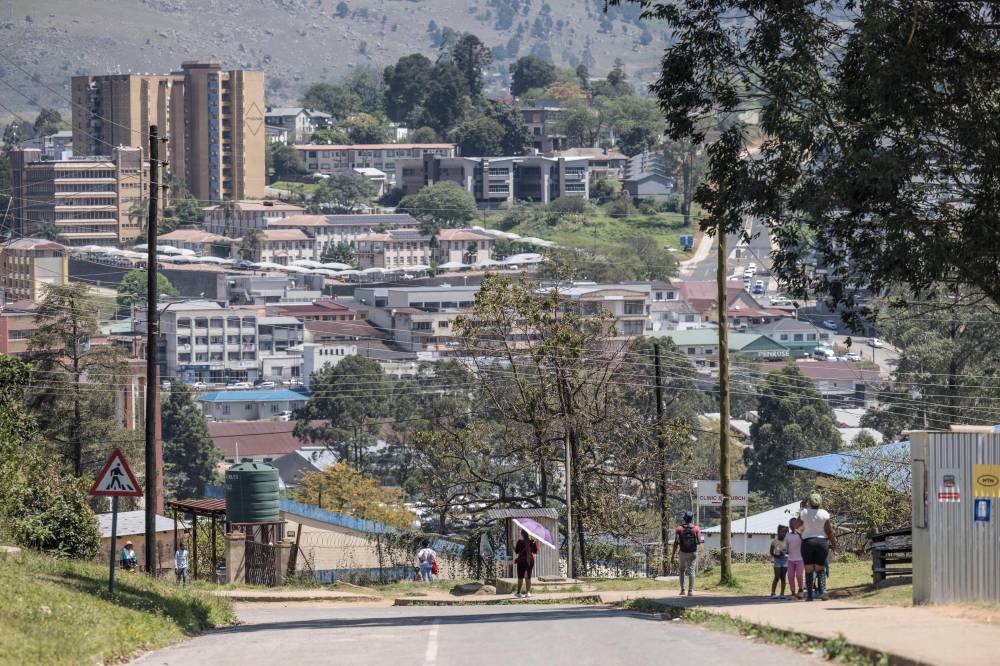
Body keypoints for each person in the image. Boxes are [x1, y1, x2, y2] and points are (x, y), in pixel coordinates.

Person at [800, 493, 837, 601]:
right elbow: (829, 532)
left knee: (809, 570)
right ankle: (822, 592)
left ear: (809, 502)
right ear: (820, 502)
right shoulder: (824, 514)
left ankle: (810, 596)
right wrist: (834, 545)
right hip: (822, 543)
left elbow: (796, 526)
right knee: (820, 569)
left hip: (808, 543)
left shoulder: (804, 512)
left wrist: (803, 532)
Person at [671, 510, 701, 596]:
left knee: (681, 570)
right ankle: (690, 591)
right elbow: (699, 541)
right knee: (691, 571)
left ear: (685, 519)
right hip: (693, 552)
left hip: (682, 552)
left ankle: (683, 590)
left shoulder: (679, 528)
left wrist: (673, 555)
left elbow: (675, 542)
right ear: (692, 519)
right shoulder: (696, 528)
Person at [513, 529, 539, 598]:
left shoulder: (520, 542)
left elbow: (516, 551)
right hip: (530, 560)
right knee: (528, 577)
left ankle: (518, 593)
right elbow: (535, 551)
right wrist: (536, 542)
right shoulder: (532, 542)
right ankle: (528, 593)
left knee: (520, 577)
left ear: (522, 534)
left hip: (521, 560)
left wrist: (512, 544)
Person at [785, 517, 805, 600]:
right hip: (790, 560)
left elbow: (805, 543)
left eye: (793, 523)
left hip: (800, 559)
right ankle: (793, 592)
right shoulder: (787, 535)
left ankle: (800, 589)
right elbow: (785, 547)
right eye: (790, 524)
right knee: (790, 576)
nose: (792, 525)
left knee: (799, 575)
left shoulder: (801, 534)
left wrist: (800, 534)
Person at [769, 525, 789, 600]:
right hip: (777, 560)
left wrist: (785, 553)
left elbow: (789, 551)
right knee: (777, 577)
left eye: (786, 532)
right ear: (778, 532)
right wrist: (776, 555)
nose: (784, 533)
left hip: (785, 560)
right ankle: (773, 593)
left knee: (783, 577)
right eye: (783, 531)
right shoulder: (774, 541)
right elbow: (771, 552)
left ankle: (782, 593)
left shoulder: (787, 542)